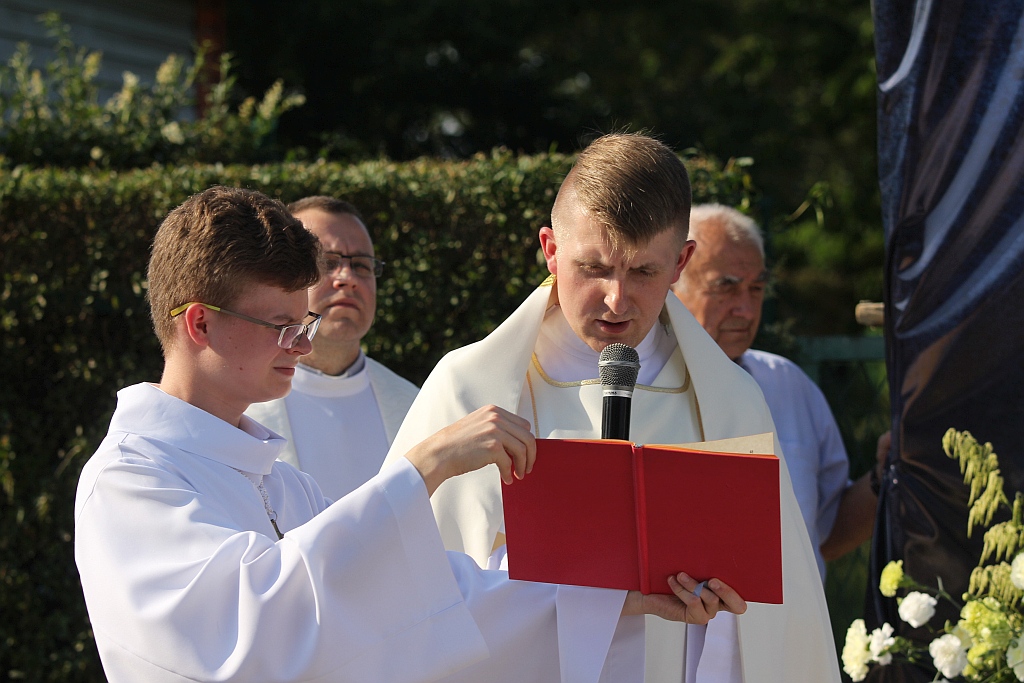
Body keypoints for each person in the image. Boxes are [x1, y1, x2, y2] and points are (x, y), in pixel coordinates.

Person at [74, 185, 745, 683]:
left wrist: (613, 595)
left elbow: (435, 601)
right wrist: (422, 467)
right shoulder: (132, 478)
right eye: (282, 327)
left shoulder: (280, 482)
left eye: (299, 327)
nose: (299, 348)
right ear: (199, 323)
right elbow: (252, 630)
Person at [382, 133, 841, 683]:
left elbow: (774, 628)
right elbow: (402, 589)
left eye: (644, 272)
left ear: (681, 263)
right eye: (594, 268)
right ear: (551, 250)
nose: (617, 300)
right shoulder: (469, 388)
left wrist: (719, 614)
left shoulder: (731, 404)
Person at [670, 204, 886, 579]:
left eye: (756, 289)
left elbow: (827, 532)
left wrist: (888, 473)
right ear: (673, 284)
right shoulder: (631, 390)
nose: (747, 310)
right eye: (727, 288)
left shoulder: (787, 385)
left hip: (786, 632)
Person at [245, 196, 418, 500]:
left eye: (362, 265)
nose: (348, 279)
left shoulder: (413, 405)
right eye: (327, 263)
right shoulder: (239, 404)